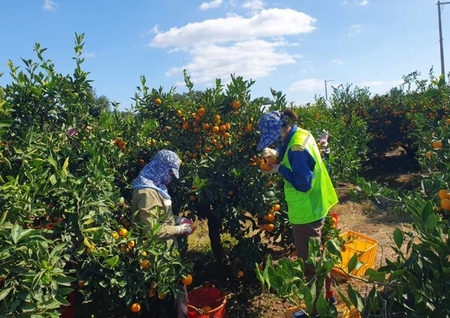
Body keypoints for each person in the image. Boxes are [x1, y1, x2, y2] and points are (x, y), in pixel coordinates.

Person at [256, 109, 339, 307]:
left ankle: (316, 310)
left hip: (306, 212)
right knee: (317, 257)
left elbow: (303, 183)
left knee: (310, 264)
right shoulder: (300, 134)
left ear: (282, 129)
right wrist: (275, 155)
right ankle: (329, 297)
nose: (275, 142)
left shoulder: (296, 148)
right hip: (315, 205)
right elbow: (289, 153)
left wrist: (279, 169)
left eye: (274, 138)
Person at [131, 149, 195, 318]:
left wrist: (177, 220)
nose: (171, 178)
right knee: (170, 303)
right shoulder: (147, 192)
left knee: (171, 300)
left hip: (166, 256)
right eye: (170, 173)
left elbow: (161, 218)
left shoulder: (155, 187)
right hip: (159, 258)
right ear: (161, 168)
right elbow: (152, 229)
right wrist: (178, 230)